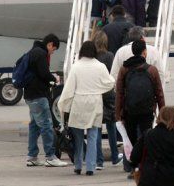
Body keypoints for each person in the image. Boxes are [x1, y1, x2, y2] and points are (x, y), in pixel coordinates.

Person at [57, 41, 115, 175]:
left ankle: (77, 165)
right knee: (93, 136)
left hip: (79, 102)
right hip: (94, 102)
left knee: (77, 137)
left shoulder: (76, 66)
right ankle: (90, 167)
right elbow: (109, 83)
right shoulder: (100, 66)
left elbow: (69, 88)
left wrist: (64, 106)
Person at [115, 39, 165, 177]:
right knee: (146, 138)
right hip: (147, 111)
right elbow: (159, 93)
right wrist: (162, 112)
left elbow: (119, 92)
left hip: (129, 111)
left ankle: (133, 169)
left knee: (131, 140)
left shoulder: (124, 69)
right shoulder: (151, 70)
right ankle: (145, 168)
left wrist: (118, 113)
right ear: (145, 52)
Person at [23, 34, 68, 167]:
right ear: (49, 45)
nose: (52, 52)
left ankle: (32, 156)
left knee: (34, 126)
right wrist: (54, 79)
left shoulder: (32, 52)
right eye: (53, 49)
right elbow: (44, 74)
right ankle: (50, 156)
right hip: (38, 96)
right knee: (47, 126)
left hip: (30, 95)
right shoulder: (41, 54)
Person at [130, 106, 174, 186]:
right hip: (173, 179)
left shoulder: (148, 134)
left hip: (150, 178)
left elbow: (134, 157)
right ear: (173, 119)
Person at [92, 31, 122, 170]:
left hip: (96, 93)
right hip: (109, 94)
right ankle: (115, 157)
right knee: (111, 127)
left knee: (97, 129)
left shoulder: (92, 57)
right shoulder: (110, 56)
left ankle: (99, 161)